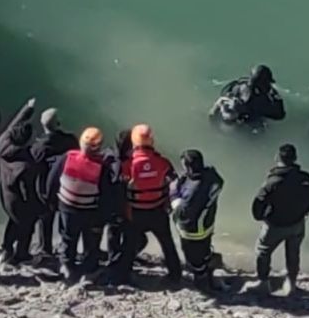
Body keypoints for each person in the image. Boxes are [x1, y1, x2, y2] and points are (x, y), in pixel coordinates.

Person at [45, 127, 123, 282]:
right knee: (91, 240)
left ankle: (67, 266)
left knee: (68, 238)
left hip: (67, 206)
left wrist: (51, 201)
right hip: (90, 210)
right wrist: (106, 216)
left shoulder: (67, 157)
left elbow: (52, 180)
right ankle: (89, 267)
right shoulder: (101, 167)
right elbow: (105, 194)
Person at [243, 144, 309, 297]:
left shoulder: (273, 181)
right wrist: (304, 213)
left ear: (277, 157)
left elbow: (258, 203)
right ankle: (291, 283)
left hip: (275, 224)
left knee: (262, 251)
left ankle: (263, 283)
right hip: (297, 223)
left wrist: (262, 217)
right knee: (293, 252)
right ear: (295, 158)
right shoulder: (306, 178)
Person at [115, 125, 182, 283]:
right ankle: (175, 275)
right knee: (168, 245)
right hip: (158, 211)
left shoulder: (127, 165)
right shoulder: (163, 162)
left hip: (135, 213)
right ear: (152, 140)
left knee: (129, 247)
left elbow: (120, 188)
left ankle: (123, 276)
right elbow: (174, 183)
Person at [170, 149, 224, 290]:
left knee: (193, 256)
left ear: (189, 166)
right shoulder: (212, 176)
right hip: (207, 223)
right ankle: (207, 263)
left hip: (193, 230)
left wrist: (173, 193)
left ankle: (201, 280)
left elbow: (184, 214)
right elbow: (218, 182)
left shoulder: (193, 190)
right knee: (204, 248)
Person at [0, 98, 40, 264]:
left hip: (5, 195)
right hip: (18, 200)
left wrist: (27, 109)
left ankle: (6, 249)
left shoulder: (2, 143)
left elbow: (12, 126)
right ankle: (21, 253)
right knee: (26, 225)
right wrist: (37, 207)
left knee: (12, 221)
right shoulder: (26, 164)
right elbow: (28, 191)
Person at [31, 108, 78, 258]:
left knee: (45, 218)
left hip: (46, 186)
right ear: (58, 123)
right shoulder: (71, 141)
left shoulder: (39, 147)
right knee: (66, 219)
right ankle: (66, 247)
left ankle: (45, 248)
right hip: (68, 186)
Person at [211, 64, 286, 127]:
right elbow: (280, 115)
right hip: (247, 126)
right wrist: (276, 97)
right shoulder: (261, 100)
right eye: (267, 83)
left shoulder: (239, 87)